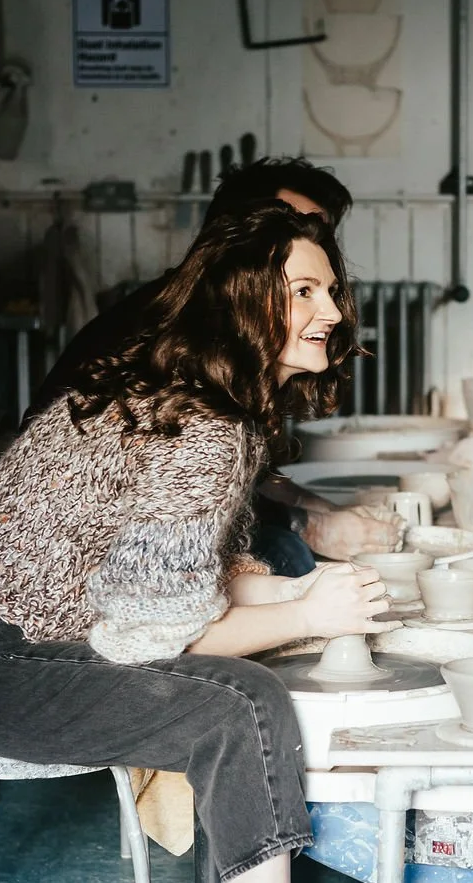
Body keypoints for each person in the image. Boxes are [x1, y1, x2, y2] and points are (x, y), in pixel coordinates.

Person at [0, 203, 401, 883]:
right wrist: (308, 605)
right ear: (244, 303)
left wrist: (305, 601)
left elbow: (170, 588)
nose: (333, 312)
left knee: (255, 681)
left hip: (38, 634)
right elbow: (147, 637)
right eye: (304, 290)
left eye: (330, 290)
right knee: (238, 702)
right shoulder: (204, 431)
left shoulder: (199, 403)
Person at [28, 156, 402, 573]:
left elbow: (229, 481)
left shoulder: (245, 345)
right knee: (284, 554)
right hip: (57, 566)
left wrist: (311, 505)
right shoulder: (169, 330)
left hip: (125, 547)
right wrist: (308, 528)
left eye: (321, 234)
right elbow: (182, 493)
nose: (311, 245)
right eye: (285, 224)